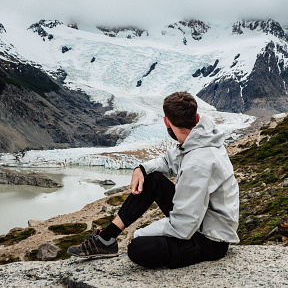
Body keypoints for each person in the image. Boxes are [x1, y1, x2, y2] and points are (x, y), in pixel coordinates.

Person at [67, 92, 240, 268]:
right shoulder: (201, 138)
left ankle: (110, 240)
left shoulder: (197, 164)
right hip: (201, 221)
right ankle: (106, 238)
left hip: (210, 240)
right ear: (196, 117)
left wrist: (140, 233)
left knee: (138, 249)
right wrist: (141, 169)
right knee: (152, 178)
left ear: (166, 122)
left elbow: (183, 226)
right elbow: (168, 161)